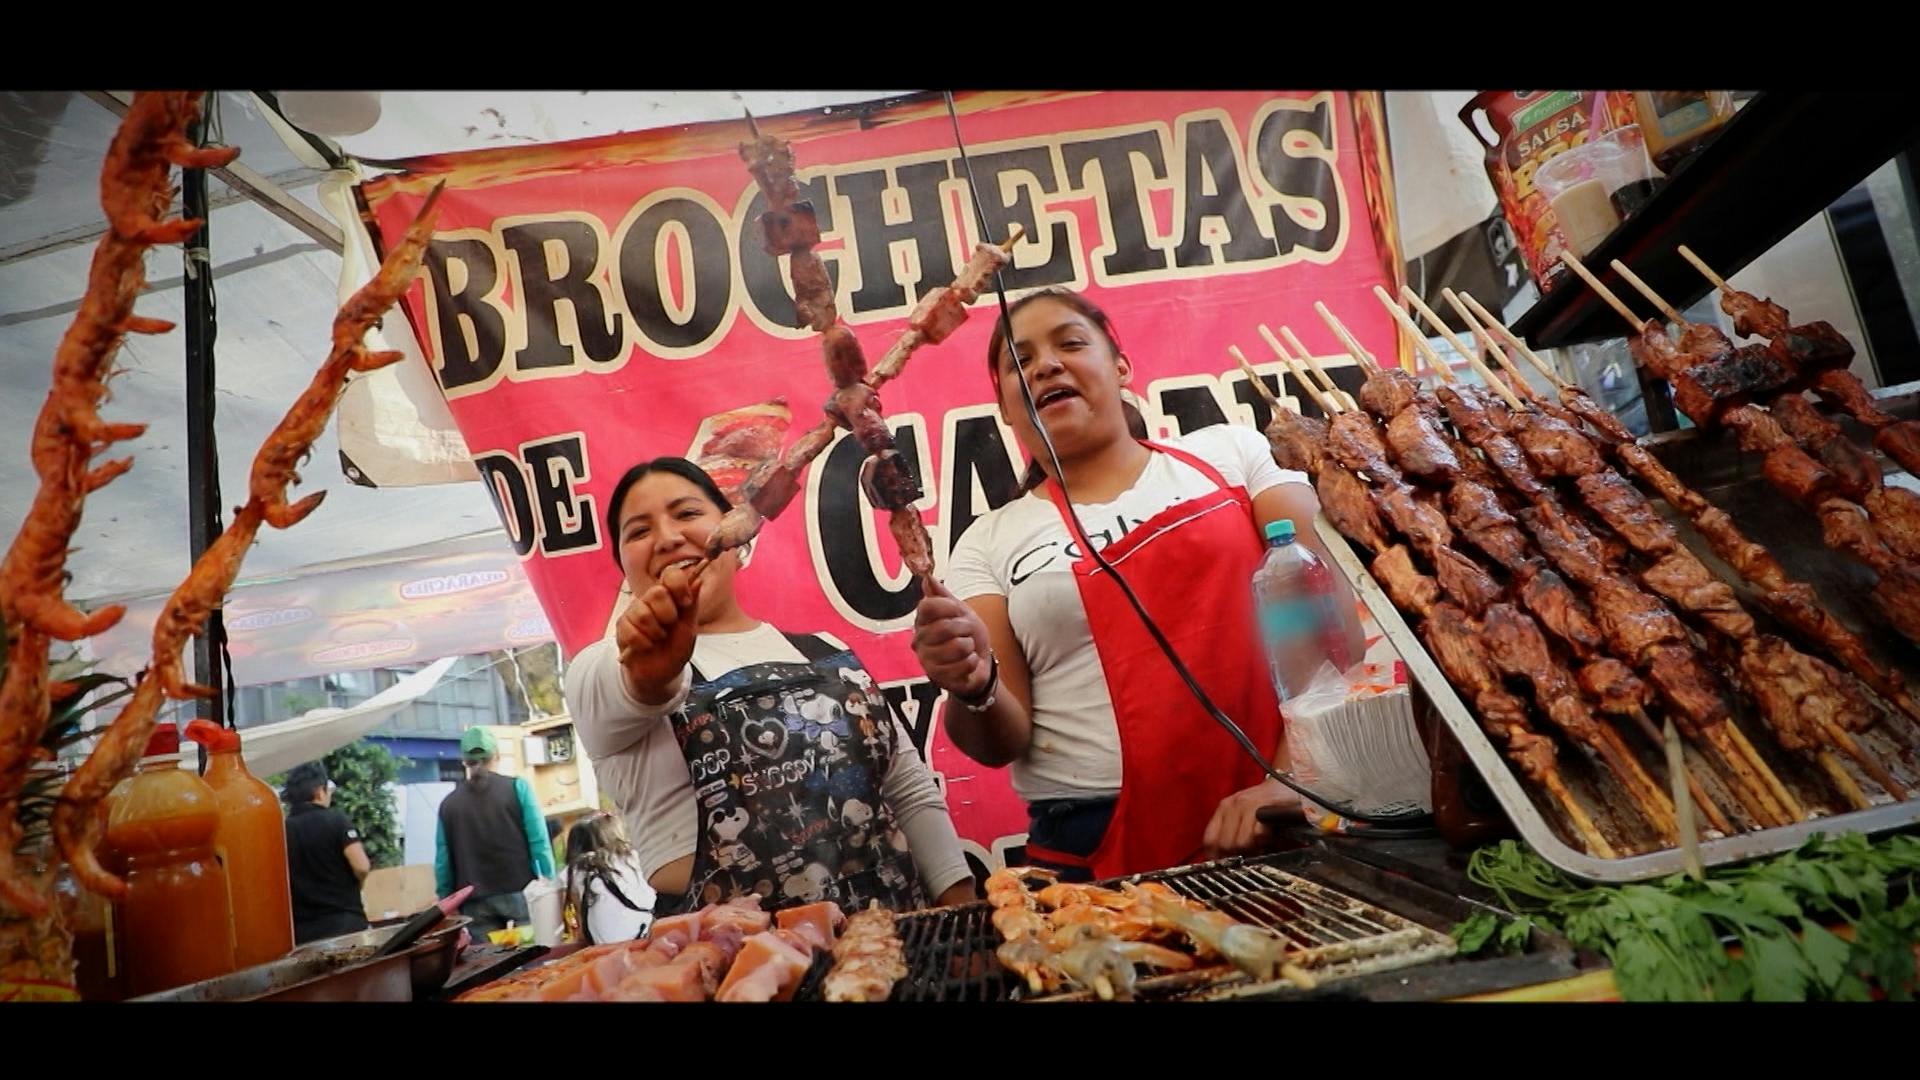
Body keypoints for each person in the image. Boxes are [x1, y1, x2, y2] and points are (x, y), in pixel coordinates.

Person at [911, 288, 1367, 882]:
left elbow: (1327, 623)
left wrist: (1287, 780)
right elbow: (999, 739)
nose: (1046, 364)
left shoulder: (1234, 454)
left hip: (1280, 806)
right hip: (1093, 841)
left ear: (1122, 368)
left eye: (1071, 343)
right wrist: (972, 686)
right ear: (1004, 405)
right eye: (1019, 362)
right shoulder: (987, 543)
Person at [564, 457, 977, 916]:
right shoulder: (601, 669)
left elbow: (908, 792)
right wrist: (651, 670)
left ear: (737, 534)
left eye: (687, 514)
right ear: (623, 565)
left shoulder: (826, 650)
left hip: (895, 940)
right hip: (741, 968)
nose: (666, 538)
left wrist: (961, 912)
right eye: (638, 532)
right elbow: (639, 685)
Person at [435, 727, 557, 938]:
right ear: (496, 757)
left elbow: (443, 861)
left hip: (474, 902)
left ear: (464, 761)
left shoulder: (449, 805)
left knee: (490, 965)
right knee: (531, 958)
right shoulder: (518, 788)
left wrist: (446, 898)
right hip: (521, 892)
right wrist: (549, 880)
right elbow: (539, 841)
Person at [281, 762, 372, 944]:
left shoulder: (281, 831)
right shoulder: (337, 821)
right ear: (319, 791)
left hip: (302, 934)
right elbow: (361, 867)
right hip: (346, 926)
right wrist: (358, 884)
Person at [563, 813, 655, 944]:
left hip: (608, 952)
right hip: (648, 938)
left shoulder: (578, 870)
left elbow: (583, 933)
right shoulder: (636, 857)